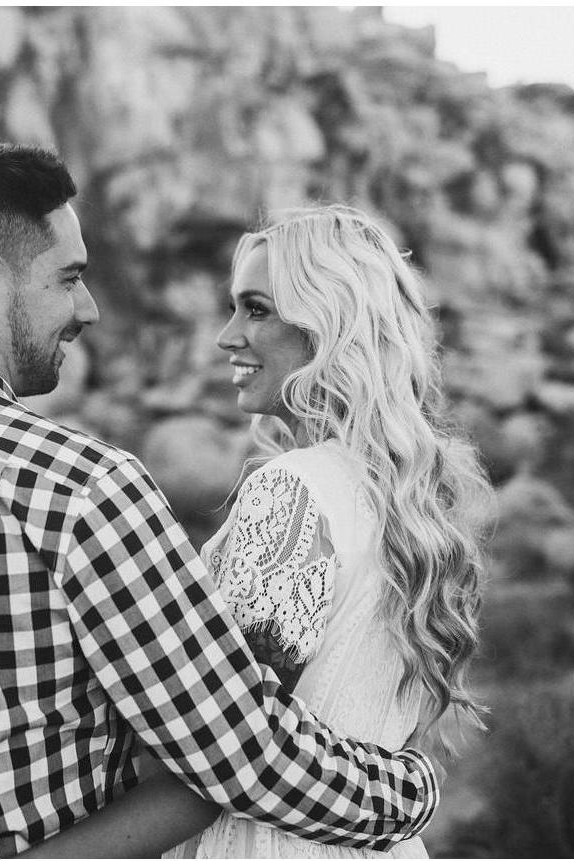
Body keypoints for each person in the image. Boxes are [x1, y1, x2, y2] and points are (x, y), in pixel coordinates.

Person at [0, 143, 439, 858]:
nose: (87, 309)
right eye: (68, 277)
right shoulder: (78, 489)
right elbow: (238, 754)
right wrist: (409, 793)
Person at [29, 204, 492, 858]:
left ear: (326, 324)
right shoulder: (408, 496)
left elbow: (225, 746)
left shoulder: (294, 490)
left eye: (256, 310)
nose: (226, 337)